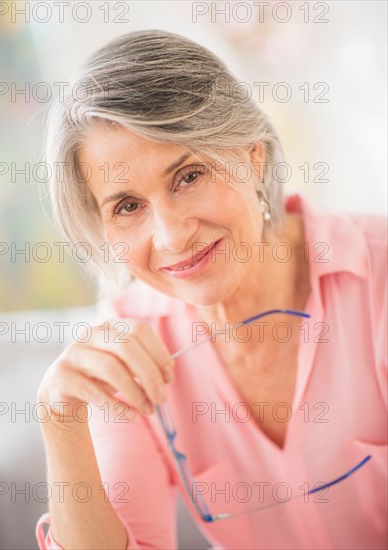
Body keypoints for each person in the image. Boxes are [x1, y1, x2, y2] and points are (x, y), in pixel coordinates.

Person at [35, 30, 387, 550]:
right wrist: (59, 421)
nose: (172, 235)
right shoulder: (127, 348)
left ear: (253, 157)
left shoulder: (376, 271)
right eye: (127, 206)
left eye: (189, 175)